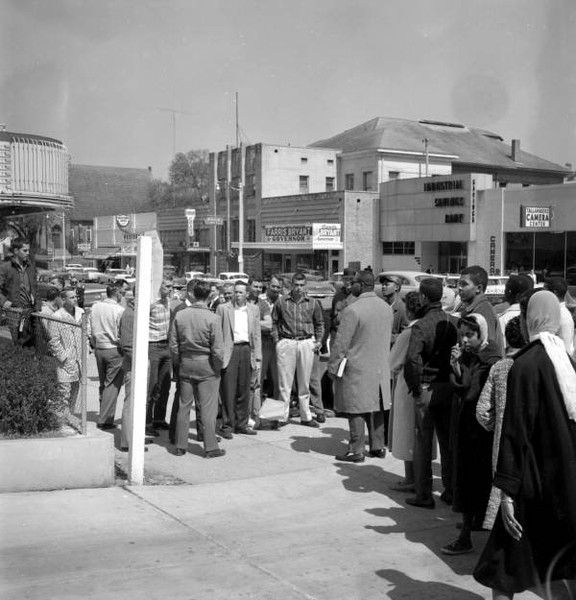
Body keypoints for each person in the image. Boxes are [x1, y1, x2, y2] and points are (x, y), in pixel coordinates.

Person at [474, 291, 576, 599]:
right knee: (565, 562)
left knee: (502, 568)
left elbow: (515, 432)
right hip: (564, 483)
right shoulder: (566, 362)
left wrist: (506, 490)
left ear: (528, 319)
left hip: (529, 484)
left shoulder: (525, 365)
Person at [441, 313, 501, 555]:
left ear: (482, 334)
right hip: (466, 426)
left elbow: (471, 391)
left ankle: (466, 536)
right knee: (467, 479)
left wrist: (458, 367)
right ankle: (470, 524)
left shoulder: (490, 359)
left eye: (469, 335)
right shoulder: (468, 356)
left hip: (482, 431)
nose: (464, 340)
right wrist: (457, 366)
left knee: (476, 480)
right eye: (461, 335)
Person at [404, 277, 458, 509]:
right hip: (448, 386)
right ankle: (451, 489)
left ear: (424, 297)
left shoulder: (420, 325)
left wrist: (416, 389)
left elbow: (412, 361)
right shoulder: (454, 321)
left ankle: (424, 494)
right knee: (447, 441)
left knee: (424, 443)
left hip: (426, 387)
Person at [328, 270, 392, 462]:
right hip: (380, 366)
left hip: (357, 367)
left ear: (362, 284)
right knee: (377, 407)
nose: (350, 285)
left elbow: (341, 343)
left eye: (353, 282)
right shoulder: (386, 307)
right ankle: (378, 447)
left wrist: (333, 367)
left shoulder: (352, 310)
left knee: (355, 408)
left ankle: (356, 450)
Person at [476, 317, 526, 531]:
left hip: (502, 439)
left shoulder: (500, 367)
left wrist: (495, 427)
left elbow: (483, 411)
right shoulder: (533, 365)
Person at [170, 279, 226, 458]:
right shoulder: (213, 318)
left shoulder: (180, 315)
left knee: (184, 405)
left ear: (193, 294)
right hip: (206, 365)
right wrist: (217, 368)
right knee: (208, 408)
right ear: (209, 295)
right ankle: (210, 447)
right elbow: (217, 350)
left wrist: (180, 360)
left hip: (186, 362)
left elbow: (173, 343)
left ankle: (180, 445)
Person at [272, 272, 324, 427]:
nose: (299, 288)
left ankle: (306, 416)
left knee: (304, 383)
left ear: (305, 286)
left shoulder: (313, 303)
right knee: (285, 383)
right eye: (296, 285)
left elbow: (320, 323)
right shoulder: (281, 302)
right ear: (292, 285)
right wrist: (277, 341)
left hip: (306, 342)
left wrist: (319, 341)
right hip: (287, 341)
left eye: (302, 285)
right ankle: (282, 416)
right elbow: (275, 322)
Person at [217, 280, 262, 437]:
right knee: (229, 390)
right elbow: (218, 333)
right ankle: (227, 425)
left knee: (244, 389)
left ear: (247, 294)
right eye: (235, 291)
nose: (237, 295)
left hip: (246, 350)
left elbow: (256, 335)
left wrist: (257, 358)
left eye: (240, 292)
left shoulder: (254, 309)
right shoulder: (223, 309)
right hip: (230, 351)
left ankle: (241, 423)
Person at [388, 292, 422, 490]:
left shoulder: (408, 333)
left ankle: (411, 478)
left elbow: (392, 363)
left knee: (406, 433)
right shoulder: (429, 326)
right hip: (425, 385)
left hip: (406, 385)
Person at [88, 281, 125, 429]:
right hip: (113, 349)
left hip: (99, 349)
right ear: (116, 293)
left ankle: (105, 414)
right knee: (112, 386)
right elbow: (121, 333)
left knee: (104, 384)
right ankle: (105, 419)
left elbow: (90, 327)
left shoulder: (95, 307)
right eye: (122, 292)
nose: (123, 295)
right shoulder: (119, 310)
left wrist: (93, 342)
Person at [48, 287, 85, 411]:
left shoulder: (81, 312)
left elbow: (87, 332)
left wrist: (87, 349)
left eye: (76, 297)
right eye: (72, 297)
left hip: (80, 359)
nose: (75, 299)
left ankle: (70, 414)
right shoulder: (56, 316)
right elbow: (54, 341)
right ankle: (61, 417)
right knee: (64, 391)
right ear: (63, 299)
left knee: (76, 389)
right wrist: (63, 357)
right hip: (66, 361)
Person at [146, 278, 174, 436]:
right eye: (167, 286)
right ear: (159, 286)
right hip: (153, 346)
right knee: (152, 385)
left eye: (171, 286)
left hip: (166, 346)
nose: (170, 289)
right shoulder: (151, 303)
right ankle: (147, 421)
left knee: (165, 385)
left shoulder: (168, 302)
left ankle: (159, 419)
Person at [457, 265, 504, 356]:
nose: (459, 288)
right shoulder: (472, 309)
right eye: (459, 284)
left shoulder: (483, 311)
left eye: (464, 284)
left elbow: (488, 349)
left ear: (479, 288)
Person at [0, 237, 38, 346]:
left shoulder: (30, 267)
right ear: (16, 251)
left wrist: (38, 306)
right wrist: (3, 302)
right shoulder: (5, 267)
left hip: (31, 310)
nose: (28, 253)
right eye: (25, 250)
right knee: (19, 343)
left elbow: (35, 288)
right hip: (15, 312)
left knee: (34, 344)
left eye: (29, 250)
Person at [247, 277, 272, 427]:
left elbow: (269, 324)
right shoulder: (241, 300)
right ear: (249, 286)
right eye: (255, 286)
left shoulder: (262, 304)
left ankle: (255, 416)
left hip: (257, 347)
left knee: (256, 384)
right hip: (241, 347)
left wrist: (249, 321)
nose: (257, 289)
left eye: (260, 287)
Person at [260, 275, 281, 401]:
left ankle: (277, 409)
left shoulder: (283, 300)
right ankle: (258, 407)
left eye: (278, 287)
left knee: (278, 377)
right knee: (260, 376)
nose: (275, 289)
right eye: (273, 286)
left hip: (277, 342)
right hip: (263, 340)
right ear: (268, 285)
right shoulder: (260, 300)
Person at [498, 275, 533, 345]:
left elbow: (501, 347)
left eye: (508, 290)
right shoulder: (534, 316)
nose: (505, 293)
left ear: (518, 296)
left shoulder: (502, 319)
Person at [544, 276, 575, 355]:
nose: (542, 294)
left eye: (545, 290)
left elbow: (566, 347)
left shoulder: (562, 316)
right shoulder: (555, 312)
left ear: (555, 292)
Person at [379, 274, 408, 345]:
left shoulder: (403, 309)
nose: (383, 287)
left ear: (396, 287)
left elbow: (406, 335)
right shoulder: (381, 306)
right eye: (382, 284)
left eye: (386, 284)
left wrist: (388, 338)